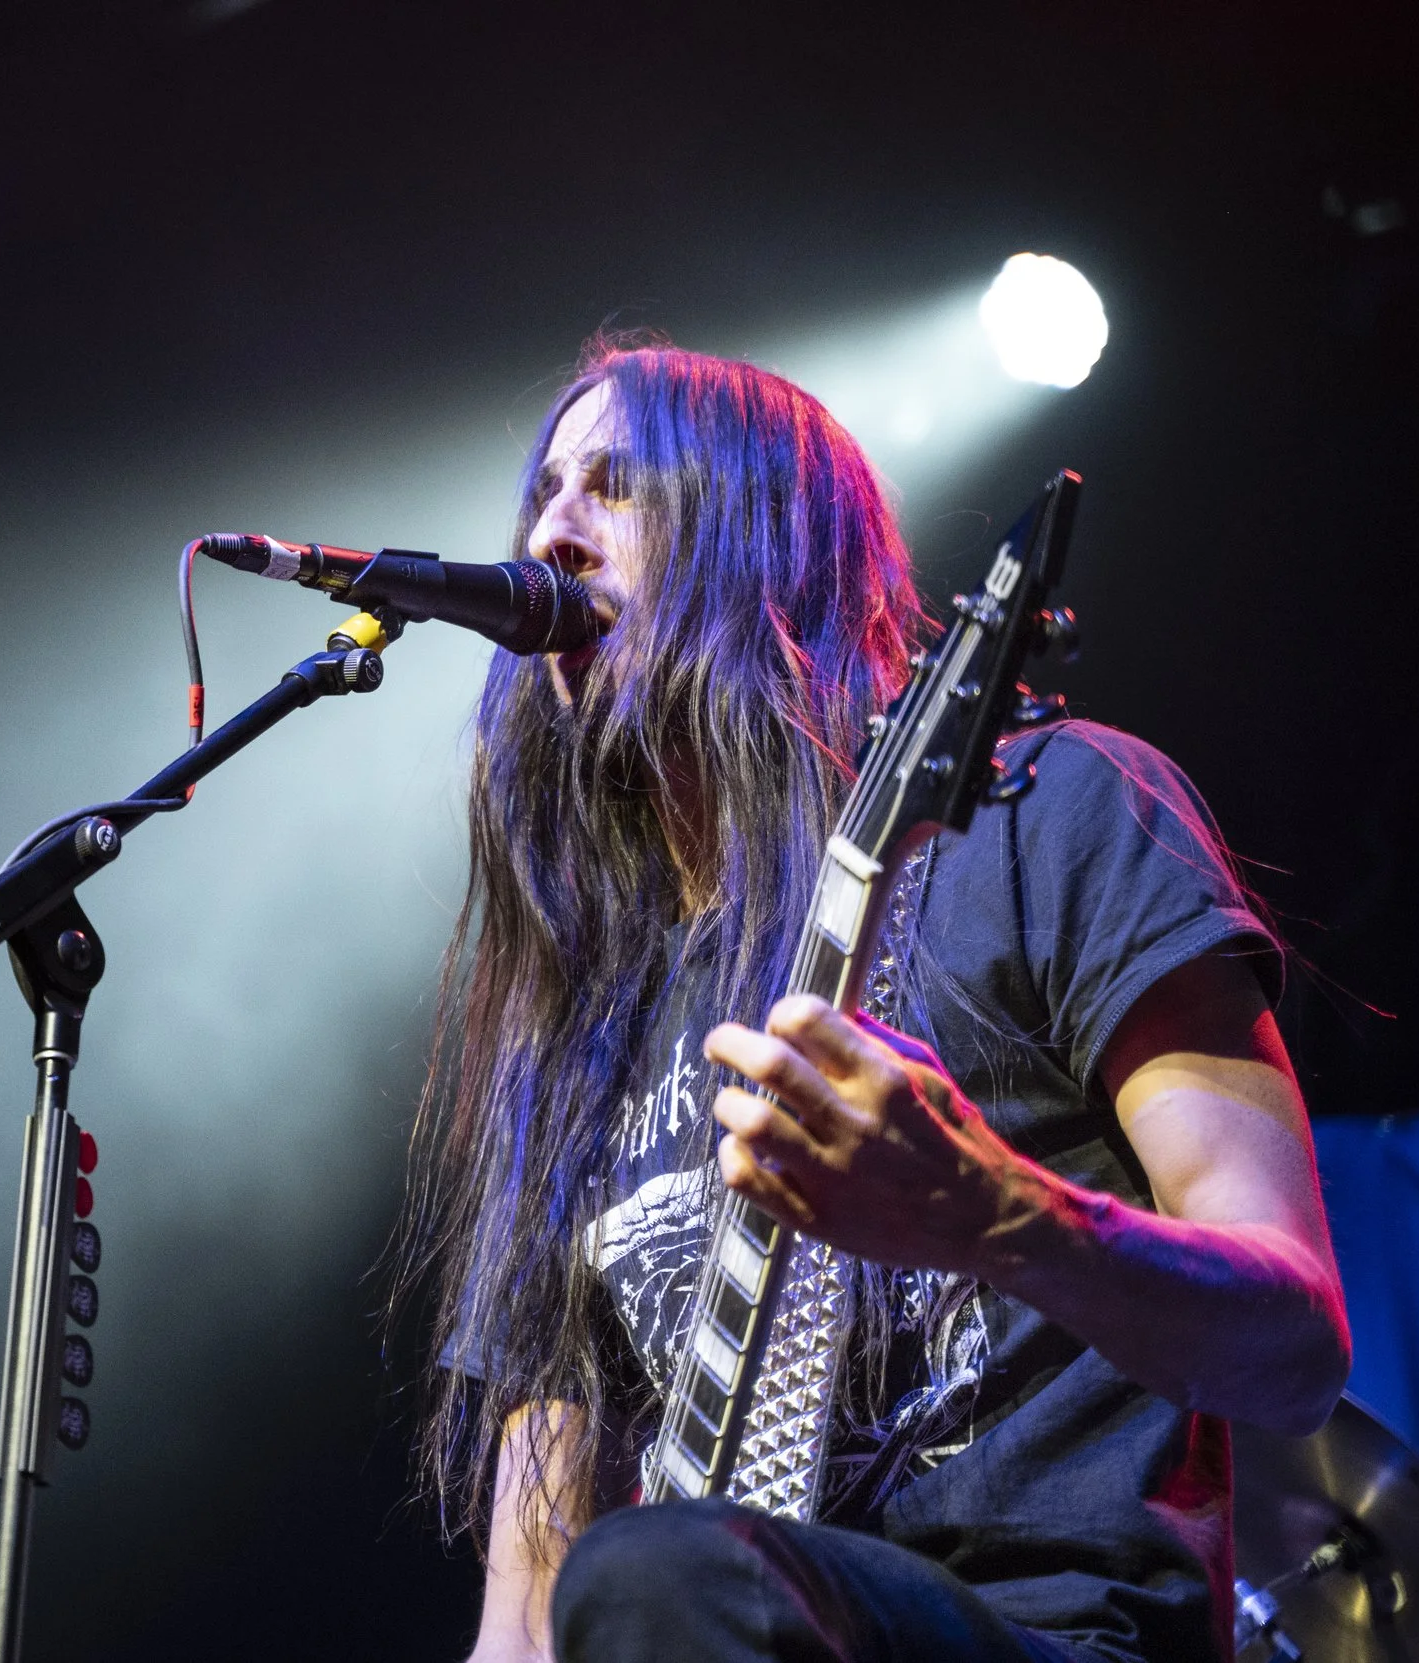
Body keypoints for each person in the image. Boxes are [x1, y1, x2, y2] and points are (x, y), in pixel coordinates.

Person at [400, 337, 1350, 1663]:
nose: (552, 533)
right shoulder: (576, 1028)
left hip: (1060, 1635)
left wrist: (997, 1216)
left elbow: (1295, 1342)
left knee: (662, 1570)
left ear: (764, 535)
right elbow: (522, 1614)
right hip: (726, 1611)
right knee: (643, 1579)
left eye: (616, 487)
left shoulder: (1053, 814)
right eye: (544, 493)